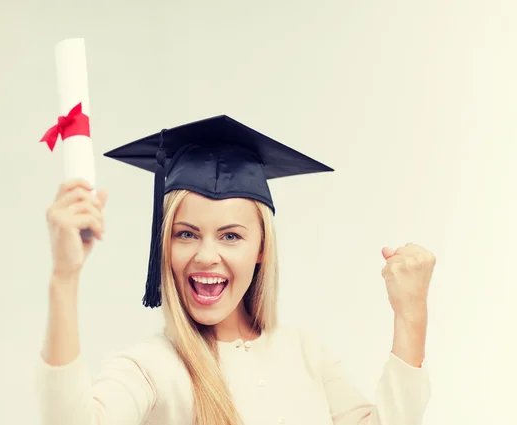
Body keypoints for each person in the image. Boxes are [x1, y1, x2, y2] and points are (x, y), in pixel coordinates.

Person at [37, 115, 435, 425]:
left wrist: (410, 314)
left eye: (230, 236)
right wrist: (64, 278)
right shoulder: (152, 366)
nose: (206, 255)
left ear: (262, 248)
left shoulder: (304, 353)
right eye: (186, 234)